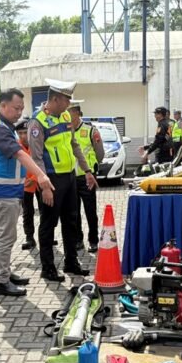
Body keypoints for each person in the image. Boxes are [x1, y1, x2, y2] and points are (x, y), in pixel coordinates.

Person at [0, 88, 54, 297]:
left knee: (7, 236)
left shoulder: (6, 126)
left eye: (22, 109)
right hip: (1, 192)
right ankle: (1, 281)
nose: (19, 113)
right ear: (2, 105)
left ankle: (4, 272)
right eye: (16, 108)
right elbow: (19, 154)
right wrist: (41, 176)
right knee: (5, 237)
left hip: (9, 191)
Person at [27, 79, 97, 282]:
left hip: (69, 177)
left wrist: (87, 171)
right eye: (67, 100)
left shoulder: (66, 116)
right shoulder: (37, 122)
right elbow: (36, 157)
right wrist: (44, 185)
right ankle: (48, 268)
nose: (69, 105)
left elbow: (74, 145)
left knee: (71, 221)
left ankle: (71, 262)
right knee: (48, 224)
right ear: (55, 99)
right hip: (51, 179)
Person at [69, 103, 104, 253]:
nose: (66, 114)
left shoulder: (90, 130)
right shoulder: (65, 130)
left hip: (86, 177)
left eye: (69, 111)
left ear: (76, 113)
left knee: (90, 210)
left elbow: (100, 153)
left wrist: (92, 168)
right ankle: (78, 240)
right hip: (71, 178)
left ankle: (93, 240)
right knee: (73, 211)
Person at [18, 120, 40, 251]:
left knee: (45, 210)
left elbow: (42, 161)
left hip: (39, 182)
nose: (22, 136)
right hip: (25, 184)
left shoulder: (37, 143)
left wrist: (35, 178)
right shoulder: (15, 145)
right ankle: (29, 237)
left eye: (25, 133)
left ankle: (47, 235)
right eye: (19, 133)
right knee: (27, 212)